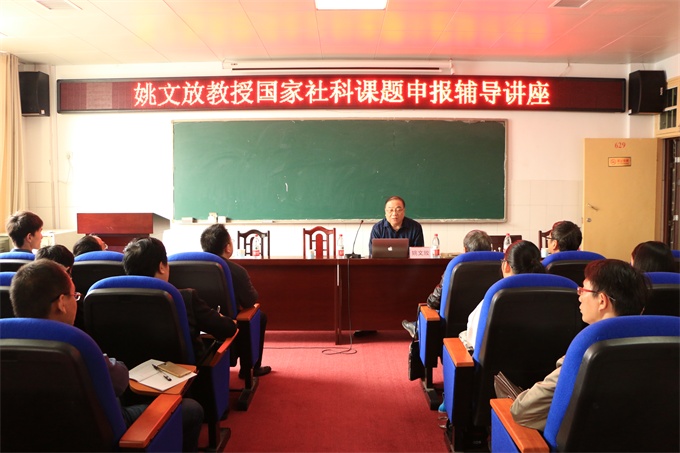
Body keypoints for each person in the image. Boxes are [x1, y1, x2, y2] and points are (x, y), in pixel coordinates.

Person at [9, 258, 204, 451]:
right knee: (191, 409)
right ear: (61, 303)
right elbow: (120, 380)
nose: (76, 301)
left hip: (29, 441)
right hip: (100, 438)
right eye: (74, 296)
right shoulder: (76, 345)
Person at [510, 259, 649, 430]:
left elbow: (523, 410)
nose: (579, 295)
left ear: (602, 301)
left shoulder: (587, 352)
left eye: (583, 289)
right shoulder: (661, 344)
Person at [122, 237, 238, 362]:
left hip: (130, 370)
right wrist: (220, 317)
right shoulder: (183, 298)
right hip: (183, 370)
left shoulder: (115, 300)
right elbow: (228, 329)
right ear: (161, 267)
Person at [200, 224, 271, 378]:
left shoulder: (188, 266)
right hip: (227, 323)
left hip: (199, 321)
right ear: (227, 247)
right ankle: (249, 369)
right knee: (257, 316)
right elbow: (250, 301)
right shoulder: (236, 270)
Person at [401, 229, 493, 338]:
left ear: (465, 249)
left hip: (453, 328)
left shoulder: (456, 266)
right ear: (490, 248)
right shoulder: (502, 266)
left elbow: (434, 301)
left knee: (430, 311)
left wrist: (429, 302)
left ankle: (418, 328)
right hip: (487, 325)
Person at [460, 240, 545, 353]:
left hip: (497, 364)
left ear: (506, 266)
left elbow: (475, 340)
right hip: (547, 362)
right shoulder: (556, 291)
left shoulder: (497, 296)